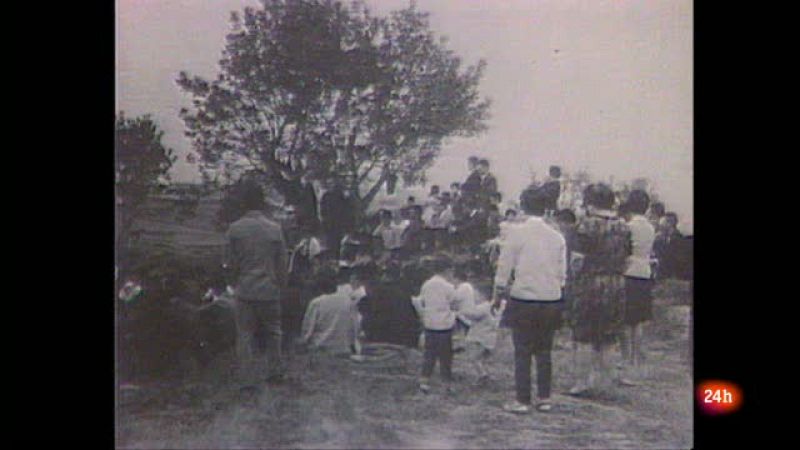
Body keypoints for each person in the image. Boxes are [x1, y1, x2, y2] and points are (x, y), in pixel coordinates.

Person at [493, 187, 567, 414]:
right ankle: (544, 398)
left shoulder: (516, 233)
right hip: (551, 298)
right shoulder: (557, 237)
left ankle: (522, 400)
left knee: (522, 350)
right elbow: (562, 274)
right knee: (544, 350)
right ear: (545, 208)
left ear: (523, 206)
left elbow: (504, 267)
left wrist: (497, 293)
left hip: (524, 297)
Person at [567, 184, 631, 396]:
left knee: (583, 335)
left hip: (590, 284)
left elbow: (577, 261)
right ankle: (606, 384)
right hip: (616, 284)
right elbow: (627, 258)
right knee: (609, 337)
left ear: (590, 203)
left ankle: (582, 383)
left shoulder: (585, 226)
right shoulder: (623, 226)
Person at [224, 181, 288, 386]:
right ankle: (275, 372)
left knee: (245, 335)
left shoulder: (234, 229)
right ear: (262, 203)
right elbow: (282, 264)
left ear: (244, 203)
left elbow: (230, 263)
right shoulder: (275, 229)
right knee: (274, 332)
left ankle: (246, 379)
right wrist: (280, 286)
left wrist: (234, 284)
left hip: (245, 289)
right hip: (269, 288)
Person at [618, 190, 656, 385]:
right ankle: (636, 363)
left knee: (625, 322)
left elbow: (623, 251)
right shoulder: (650, 227)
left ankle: (626, 364)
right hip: (644, 273)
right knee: (638, 322)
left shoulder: (628, 227)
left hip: (629, 272)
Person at [412, 260, 459, 393]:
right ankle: (447, 384)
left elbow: (420, 301)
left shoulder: (427, 284)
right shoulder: (448, 287)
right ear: (447, 270)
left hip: (430, 325)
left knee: (429, 354)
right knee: (446, 356)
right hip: (444, 326)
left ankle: (424, 381)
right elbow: (454, 304)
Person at [300, 267, 364, 356]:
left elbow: (306, 335)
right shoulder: (348, 301)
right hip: (344, 351)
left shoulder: (316, 303)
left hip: (321, 352)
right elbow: (355, 328)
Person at [458, 288, 502, 384]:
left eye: (477, 295)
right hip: (490, 339)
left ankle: (483, 376)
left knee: (474, 358)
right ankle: (484, 375)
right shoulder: (499, 307)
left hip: (480, 338)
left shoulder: (484, 306)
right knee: (481, 359)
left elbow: (473, 314)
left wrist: (462, 311)